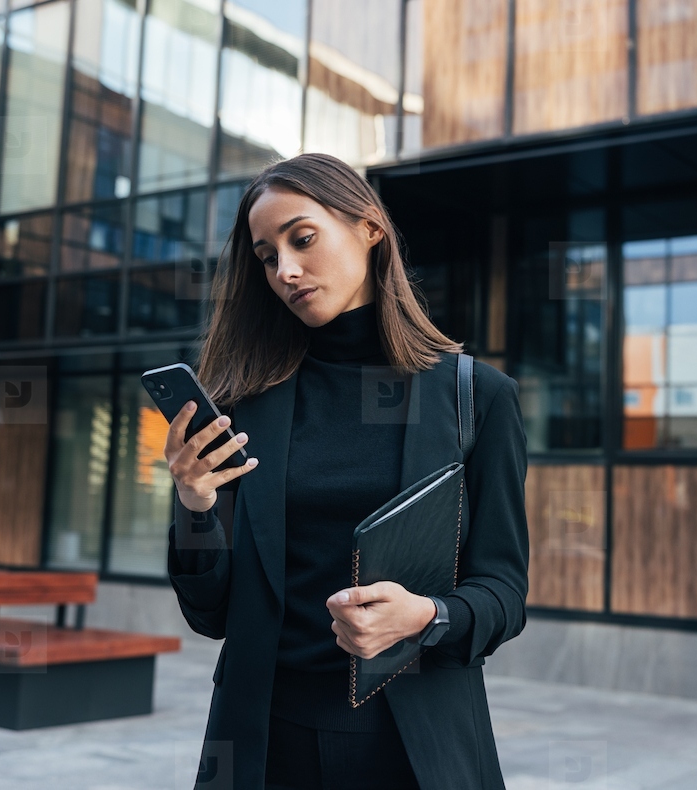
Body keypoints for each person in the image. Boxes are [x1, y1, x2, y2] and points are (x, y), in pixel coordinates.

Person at [165, 152, 529, 790]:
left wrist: (425, 616)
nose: (286, 270)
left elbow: (502, 595)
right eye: (266, 255)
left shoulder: (477, 399)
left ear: (369, 228)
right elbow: (211, 615)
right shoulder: (244, 406)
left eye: (302, 239)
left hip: (416, 745)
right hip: (265, 739)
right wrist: (195, 508)